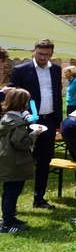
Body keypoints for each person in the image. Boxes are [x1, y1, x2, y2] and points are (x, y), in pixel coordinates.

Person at [9, 38, 63, 209]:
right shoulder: (21, 70)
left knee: (44, 161)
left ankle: (39, 198)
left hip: (48, 120)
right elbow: (14, 98)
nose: (43, 57)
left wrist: (58, 121)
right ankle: (12, 203)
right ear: (33, 51)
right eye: (40, 53)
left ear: (52, 54)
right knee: (22, 161)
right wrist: (24, 116)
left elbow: (57, 96)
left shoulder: (56, 70)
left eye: (47, 54)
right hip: (26, 122)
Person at [0, 88, 43, 233]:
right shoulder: (17, 123)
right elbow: (22, 143)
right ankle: (7, 224)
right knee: (12, 192)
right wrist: (35, 134)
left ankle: (9, 217)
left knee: (8, 191)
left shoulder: (7, 118)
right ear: (23, 103)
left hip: (7, 160)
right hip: (15, 162)